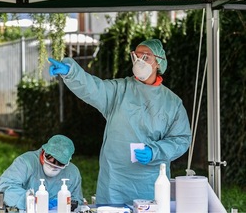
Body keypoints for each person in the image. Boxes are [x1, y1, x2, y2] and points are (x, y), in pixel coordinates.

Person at [48, 39, 192, 205]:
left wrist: (155, 152)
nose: (139, 62)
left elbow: (181, 139)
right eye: (136, 57)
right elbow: (93, 88)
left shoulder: (172, 103)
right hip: (115, 181)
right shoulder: (119, 91)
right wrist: (71, 73)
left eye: (145, 57)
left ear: (159, 62)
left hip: (151, 181)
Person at [0, 134, 84, 210]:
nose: (53, 167)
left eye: (58, 166)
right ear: (44, 152)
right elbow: (5, 187)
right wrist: (31, 200)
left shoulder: (72, 173)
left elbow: (77, 202)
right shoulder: (26, 162)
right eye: (50, 162)